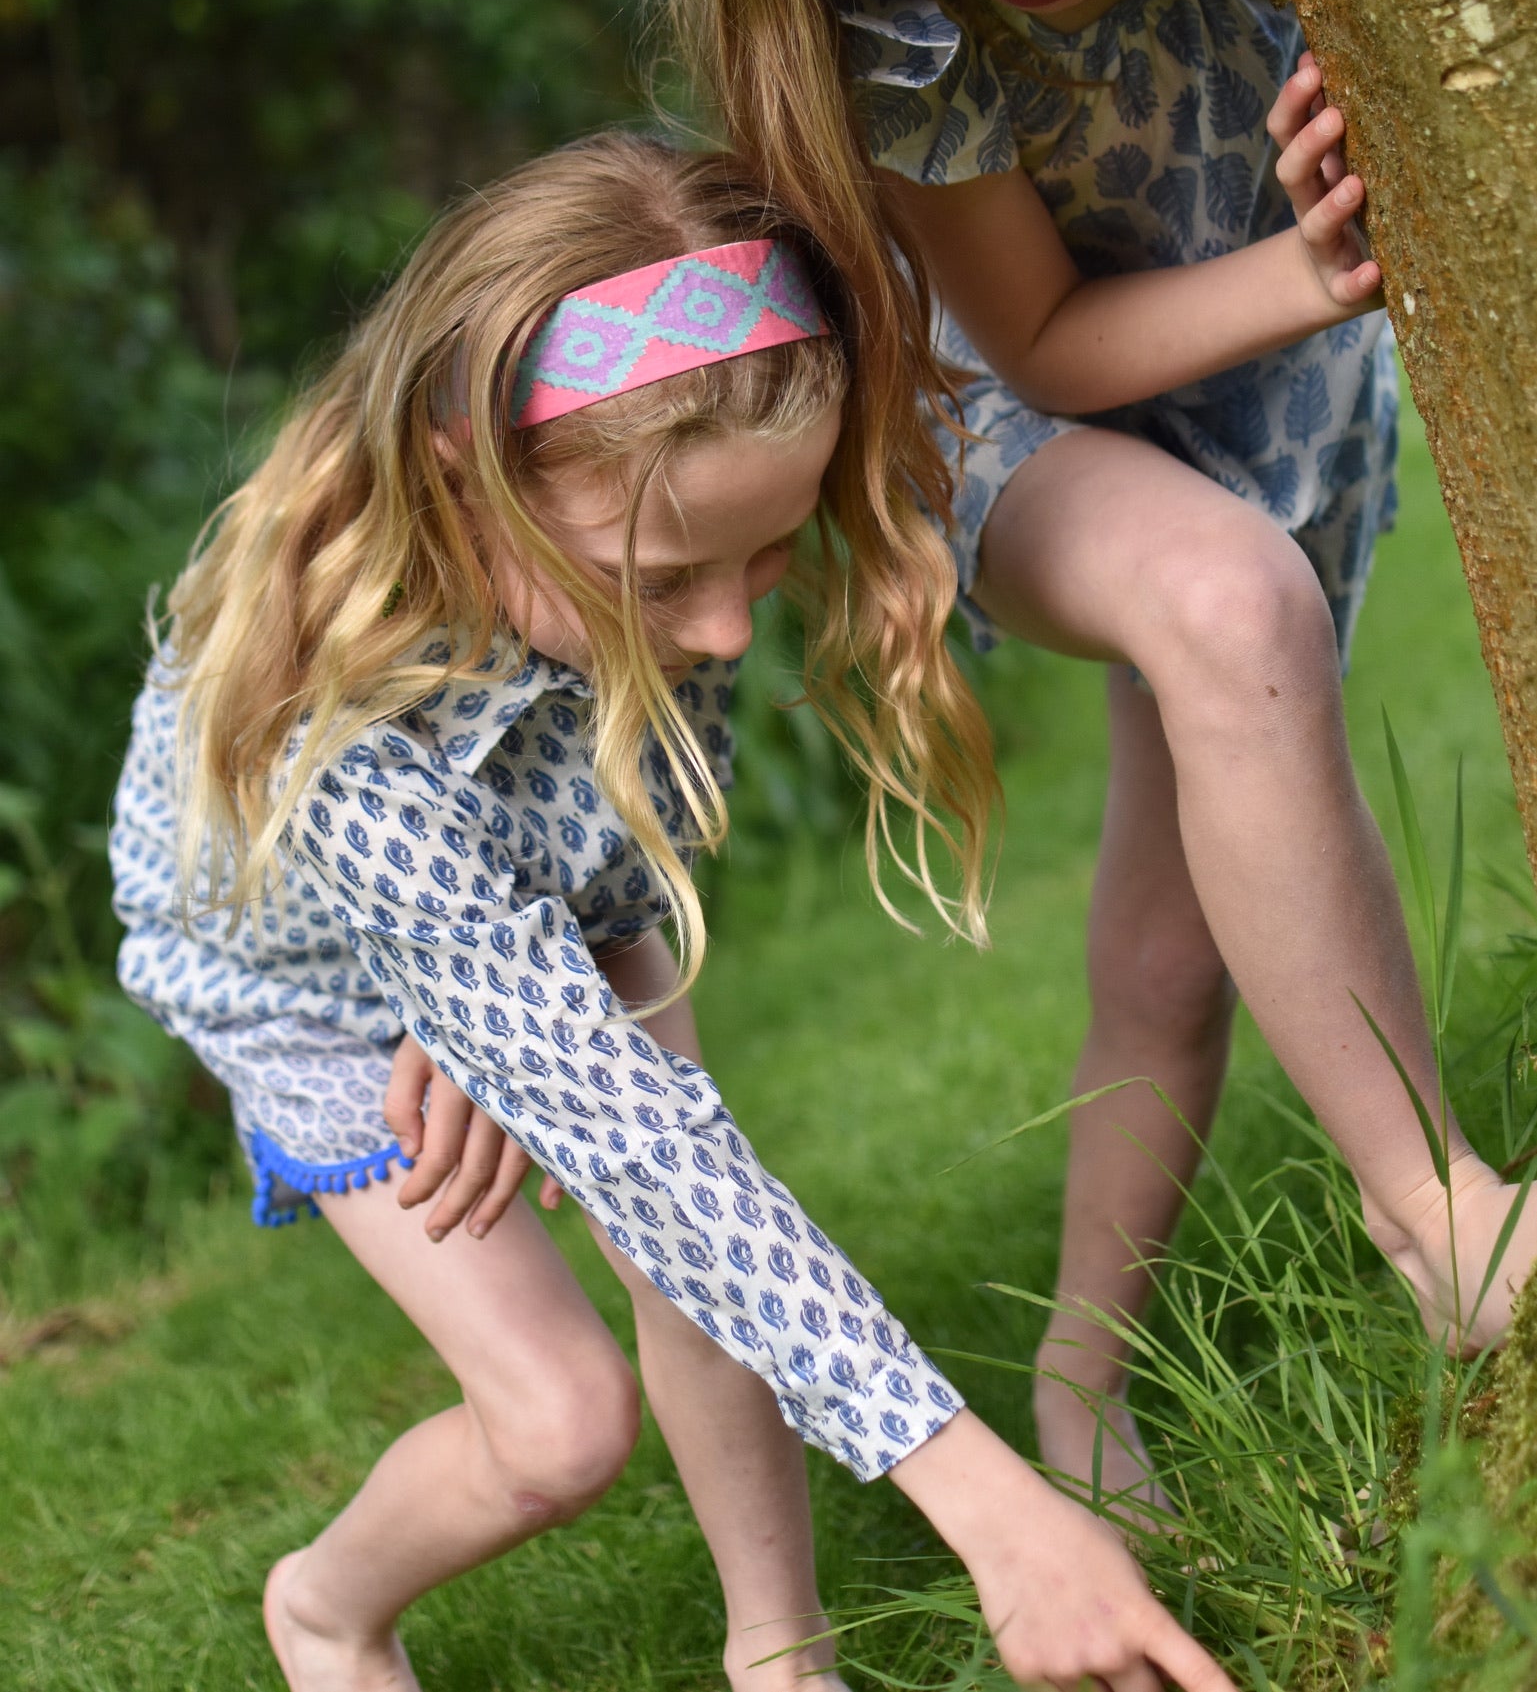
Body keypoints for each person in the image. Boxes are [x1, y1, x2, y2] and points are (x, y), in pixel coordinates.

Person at [636, 0, 1537, 1517]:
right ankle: (1445, 1224)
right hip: (1025, 428)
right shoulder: (894, 40)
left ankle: (1079, 1373)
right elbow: (1034, 333)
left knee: (1173, 944)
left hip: (1278, 421)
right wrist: (1316, 275)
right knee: (1222, 601)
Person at [110, 133, 1234, 1692]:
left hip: (541, 915)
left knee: (688, 1247)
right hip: (315, 988)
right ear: (465, 479)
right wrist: (998, 1516)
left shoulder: (623, 546)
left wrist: (512, 1021)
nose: (720, 628)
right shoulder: (349, 753)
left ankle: (778, 1653)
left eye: (766, 550)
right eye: (663, 576)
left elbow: (673, 1173)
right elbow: (645, 1154)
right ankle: (323, 1604)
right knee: (561, 1426)